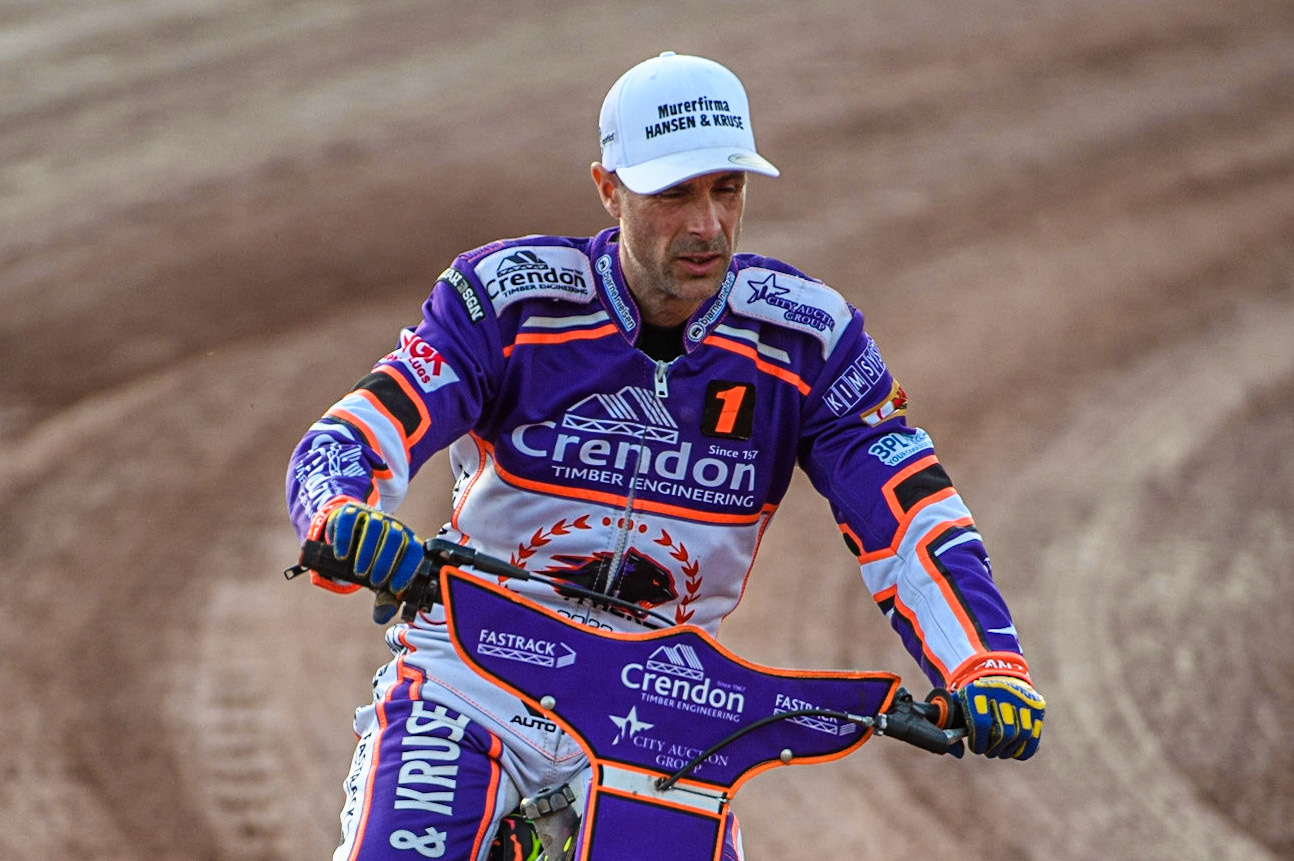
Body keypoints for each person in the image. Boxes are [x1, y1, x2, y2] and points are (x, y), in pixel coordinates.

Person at [286, 51, 1045, 861]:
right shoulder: (509, 299)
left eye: (727, 188)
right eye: (674, 193)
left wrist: (985, 660)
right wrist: (342, 515)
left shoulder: (807, 340)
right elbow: (357, 429)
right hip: (474, 678)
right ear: (608, 188)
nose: (707, 225)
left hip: (670, 705)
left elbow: (908, 507)